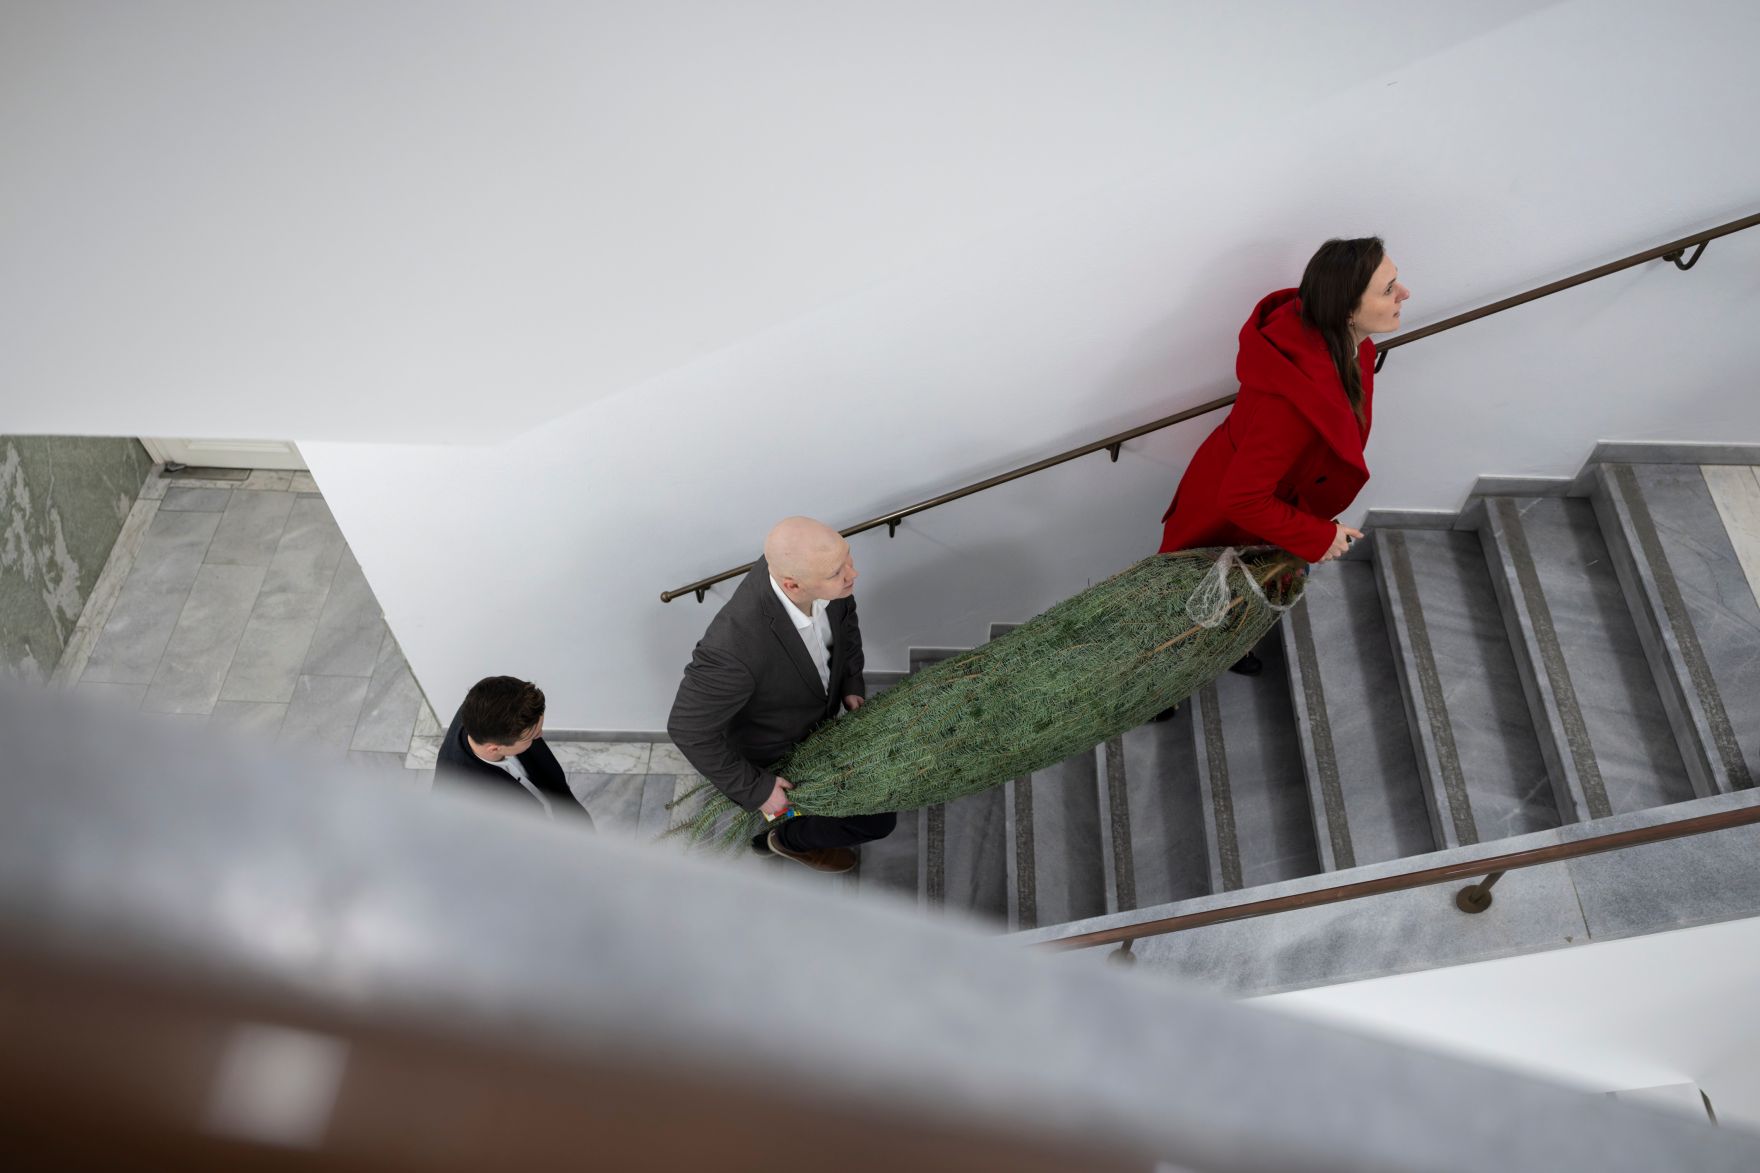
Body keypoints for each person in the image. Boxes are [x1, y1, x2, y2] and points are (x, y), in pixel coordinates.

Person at [1158, 236, 1409, 676]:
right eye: (1388, 289)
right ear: (1346, 309)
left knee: (1246, 592)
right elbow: (1242, 498)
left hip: (1273, 504)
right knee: (1188, 603)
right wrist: (1317, 536)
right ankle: (1159, 683)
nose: (1404, 294)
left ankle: (1228, 647)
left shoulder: (1353, 343)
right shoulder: (1289, 402)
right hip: (1229, 514)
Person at [667, 516, 896, 873]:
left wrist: (852, 683)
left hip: (821, 722)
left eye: (848, 558)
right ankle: (783, 841)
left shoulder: (817, 572)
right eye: (838, 573)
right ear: (792, 585)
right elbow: (686, 728)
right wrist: (758, 789)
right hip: (777, 749)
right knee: (877, 821)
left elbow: (847, 624)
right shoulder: (733, 648)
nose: (853, 574)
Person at [435, 675, 594, 825]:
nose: (540, 735)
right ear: (495, 748)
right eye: (532, 736)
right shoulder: (460, 797)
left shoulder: (487, 709)